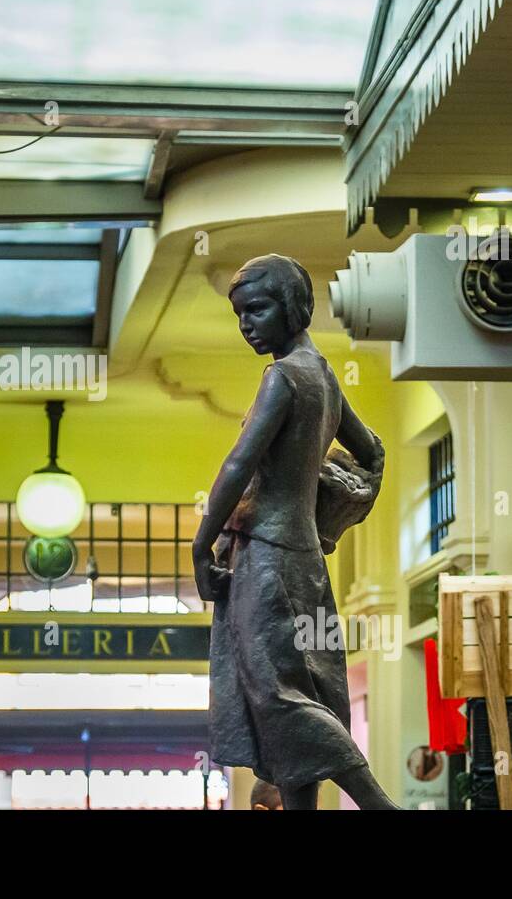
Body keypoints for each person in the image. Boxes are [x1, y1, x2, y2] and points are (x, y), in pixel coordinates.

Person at [192, 254, 397, 810]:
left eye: (257, 309)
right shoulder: (323, 375)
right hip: (306, 557)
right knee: (304, 691)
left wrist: (199, 545)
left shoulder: (283, 377)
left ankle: (380, 806)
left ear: (294, 306)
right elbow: (372, 452)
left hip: (266, 557)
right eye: (240, 314)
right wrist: (336, 508)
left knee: (278, 696)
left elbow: (238, 465)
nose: (246, 325)